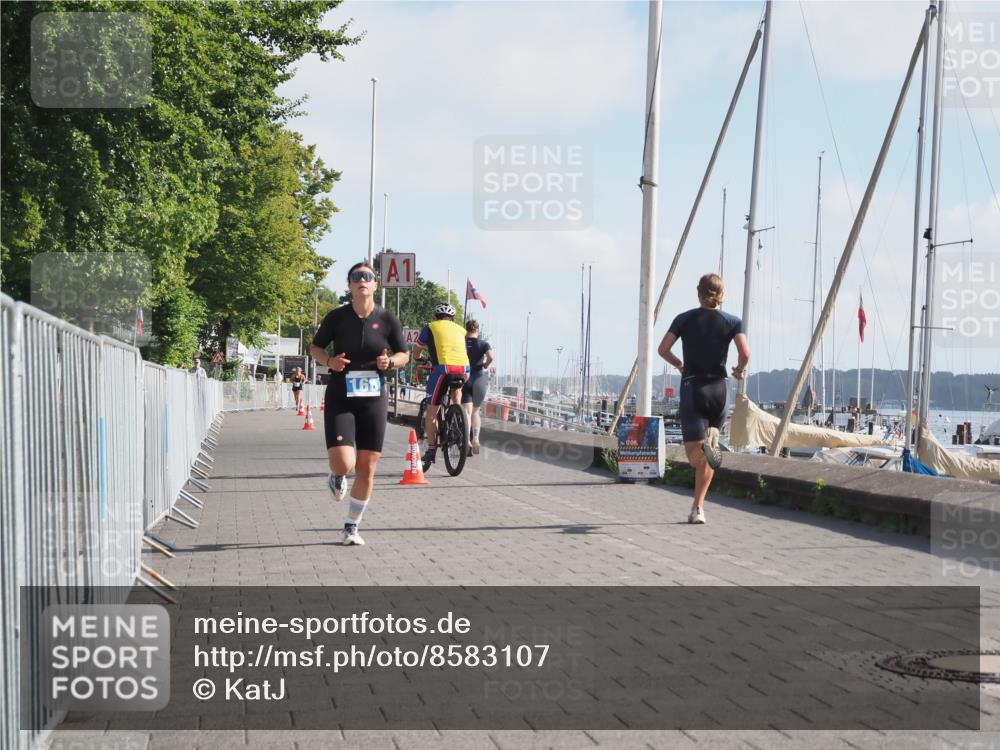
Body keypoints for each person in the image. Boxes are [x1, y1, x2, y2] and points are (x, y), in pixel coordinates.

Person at [308, 261, 408, 546]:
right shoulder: (337, 317)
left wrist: (391, 362)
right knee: (344, 463)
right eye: (356, 277)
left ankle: (351, 526)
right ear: (350, 285)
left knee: (368, 466)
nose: (362, 280)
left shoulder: (387, 319)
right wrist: (329, 361)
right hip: (341, 395)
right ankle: (337, 475)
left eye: (367, 276)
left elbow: (404, 354)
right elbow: (315, 347)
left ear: (375, 284)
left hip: (374, 398)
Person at [657, 273, 750, 525]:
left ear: (698, 293)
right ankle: (698, 508)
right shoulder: (733, 321)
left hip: (693, 388)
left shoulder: (684, 319)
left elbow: (663, 349)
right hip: (720, 390)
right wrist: (739, 370)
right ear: (722, 295)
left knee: (694, 458)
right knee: (708, 453)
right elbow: (745, 353)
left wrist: (680, 364)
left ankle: (705, 451)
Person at [411, 302, 470, 469]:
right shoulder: (461, 330)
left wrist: (418, 358)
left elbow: (417, 350)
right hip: (464, 369)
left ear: (436, 316)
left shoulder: (430, 327)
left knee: (431, 412)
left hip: (443, 369)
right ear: (452, 318)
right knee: (456, 396)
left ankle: (431, 449)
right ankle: (459, 422)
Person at [462, 319, 494, 455]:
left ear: (466, 329)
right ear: (478, 330)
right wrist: (485, 365)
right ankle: (475, 439)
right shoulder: (484, 344)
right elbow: (491, 357)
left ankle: (467, 442)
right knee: (475, 412)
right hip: (479, 379)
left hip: (465, 377)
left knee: (467, 413)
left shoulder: (462, 342)